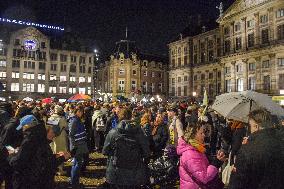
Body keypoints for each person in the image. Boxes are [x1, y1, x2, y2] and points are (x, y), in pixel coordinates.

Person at [9, 115, 70, 189]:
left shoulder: (29, 139)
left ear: (27, 125)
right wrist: (57, 156)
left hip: (30, 180)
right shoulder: (41, 137)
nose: (22, 129)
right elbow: (43, 158)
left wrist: (11, 156)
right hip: (41, 179)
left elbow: (18, 162)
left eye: (23, 127)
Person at [229, 109, 284, 189]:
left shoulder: (247, 150)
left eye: (250, 126)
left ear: (256, 126)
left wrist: (235, 170)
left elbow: (238, 183)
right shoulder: (281, 141)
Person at [102, 108, 151, 188]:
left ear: (119, 117)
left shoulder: (113, 132)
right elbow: (146, 151)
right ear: (131, 117)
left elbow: (105, 151)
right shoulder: (139, 132)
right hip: (134, 170)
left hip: (116, 171)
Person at [177, 122, 226, 189]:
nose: (204, 135)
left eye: (204, 133)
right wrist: (215, 163)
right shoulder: (191, 154)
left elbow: (201, 164)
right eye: (201, 133)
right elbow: (204, 178)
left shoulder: (196, 148)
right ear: (193, 135)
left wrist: (217, 160)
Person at [69, 105, 89, 188]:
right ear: (77, 111)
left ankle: (74, 181)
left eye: (82, 112)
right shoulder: (74, 120)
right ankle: (74, 183)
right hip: (78, 145)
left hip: (79, 144)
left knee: (76, 163)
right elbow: (71, 134)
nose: (82, 113)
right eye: (81, 111)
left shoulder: (77, 119)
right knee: (77, 164)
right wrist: (74, 146)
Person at [48, 105, 68, 175]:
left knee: (54, 151)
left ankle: (53, 168)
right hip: (61, 137)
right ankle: (60, 169)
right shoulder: (62, 118)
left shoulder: (51, 117)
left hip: (52, 137)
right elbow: (66, 126)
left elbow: (49, 127)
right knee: (61, 152)